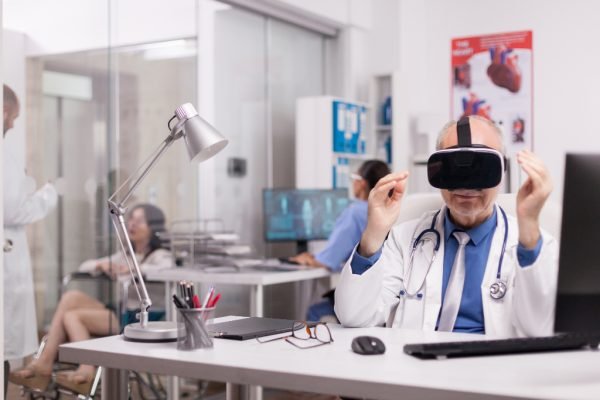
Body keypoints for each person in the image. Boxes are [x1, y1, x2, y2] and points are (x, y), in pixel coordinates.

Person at [335, 116, 558, 337]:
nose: (467, 183)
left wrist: (528, 226)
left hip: (494, 368)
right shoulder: (404, 238)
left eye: (481, 167)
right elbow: (354, 317)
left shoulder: (532, 244)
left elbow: (540, 328)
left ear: (501, 171)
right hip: (415, 366)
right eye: (455, 167)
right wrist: (374, 232)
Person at [9, 203, 171, 393]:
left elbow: (164, 270)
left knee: (72, 316)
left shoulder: (160, 256)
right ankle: (44, 361)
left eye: (139, 220)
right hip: (120, 309)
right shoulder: (126, 254)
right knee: (71, 297)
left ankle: (84, 369)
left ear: (153, 227)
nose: (132, 224)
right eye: (131, 219)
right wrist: (101, 266)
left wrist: (133, 269)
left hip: (141, 318)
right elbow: (86, 266)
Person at [3, 84, 58, 395]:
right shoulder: (4, 157)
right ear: (4, 110)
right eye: (13, 117)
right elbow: (13, 211)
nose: (12, 124)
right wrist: (47, 195)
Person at [290, 160, 390, 321]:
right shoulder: (387, 210)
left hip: (364, 296)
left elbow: (329, 260)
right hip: (384, 292)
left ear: (361, 183)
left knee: (315, 312)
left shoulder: (356, 212)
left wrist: (308, 259)